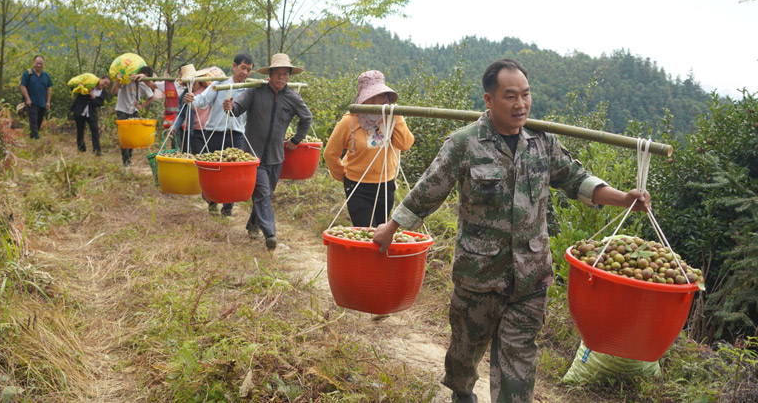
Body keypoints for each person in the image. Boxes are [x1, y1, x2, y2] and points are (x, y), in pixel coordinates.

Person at [372, 59, 652, 403]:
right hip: (479, 277)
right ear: (489, 100)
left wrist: (624, 199)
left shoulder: (542, 142)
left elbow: (578, 180)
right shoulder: (465, 144)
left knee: (519, 365)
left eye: (526, 95)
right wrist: (392, 227)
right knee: (464, 352)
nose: (521, 104)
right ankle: (462, 393)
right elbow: (429, 190)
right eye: (510, 96)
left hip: (530, 279)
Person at [222, 53, 312, 250]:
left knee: (266, 193)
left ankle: (252, 226)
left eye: (285, 74)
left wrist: (296, 140)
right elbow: (237, 108)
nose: (281, 77)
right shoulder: (256, 91)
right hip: (253, 154)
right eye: (277, 73)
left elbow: (307, 119)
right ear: (269, 74)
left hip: (276, 156)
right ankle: (270, 234)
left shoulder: (292, 98)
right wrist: (229, 106)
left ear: (289, 76)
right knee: (262, 192)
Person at [324, 70, 414, 228]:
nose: (375, 101)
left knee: (381, 231)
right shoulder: (349, 121)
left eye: (379, 96)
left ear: (385, 97)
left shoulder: (391, 118)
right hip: (357, 186)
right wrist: (343, 177)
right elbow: (330, 154)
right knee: (366, 232)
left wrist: (396, 116)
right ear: (362, 98)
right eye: (370, 97)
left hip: (386, 185)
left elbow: (405, 144)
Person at [184, 53, 254, 216]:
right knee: (214, 169)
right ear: (234, 66)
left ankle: (228, 207)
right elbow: (202, 100)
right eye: (242, 68)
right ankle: (212, 200)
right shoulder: (220, 83)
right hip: (214, 132)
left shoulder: (250, 89)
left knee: (233, 170)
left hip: (236, 134)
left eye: (249, 70)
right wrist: (191, 99)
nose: (244, 73)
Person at [111, 66, 156, 166]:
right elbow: (113, 92)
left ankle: (129, 158)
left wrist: (142, 106)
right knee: (125, 136)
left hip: (133, 111)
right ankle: (125, 161)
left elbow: (152, 96)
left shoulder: (143, 84)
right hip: (121, 110)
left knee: (132, 136)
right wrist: (118, 81)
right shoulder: (125, 80)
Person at [70, 75, 111, 156]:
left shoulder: (104, 93)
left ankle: (97, 151)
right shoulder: (89, 84)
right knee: (80, 131)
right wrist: (79, 86)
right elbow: (73, 90)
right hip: (80, 110)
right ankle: (81, 149)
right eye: (104, 82)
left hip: (91, 113)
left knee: (95, 131)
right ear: (100, 79)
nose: (105, 85)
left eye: (107, 85)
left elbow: (100, 103)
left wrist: (93, 96)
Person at [19, 55, 53, 140]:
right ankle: (36, 138)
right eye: (37, 63)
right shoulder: (28, 73)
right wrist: (27, 99)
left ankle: (32, 137)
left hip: (42, 103)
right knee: (33, 120)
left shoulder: (46, 76)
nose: (39, 65)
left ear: (43, 65)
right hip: (32, 102)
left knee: (39, 121)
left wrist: (48, 102)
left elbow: (49, 89)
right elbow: (23, 86)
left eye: (41, 64)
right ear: (34, 63)